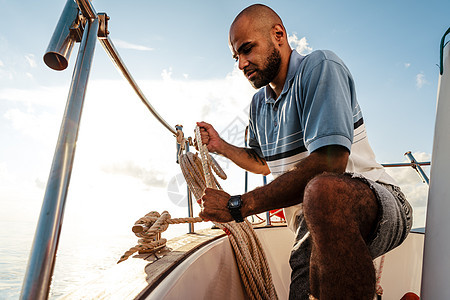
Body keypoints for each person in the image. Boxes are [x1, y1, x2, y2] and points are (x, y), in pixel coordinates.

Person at [197, 4, 412, 300]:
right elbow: (262, 163)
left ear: (278, 35)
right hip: (309, 225)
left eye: (247, 49)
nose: (241, 64)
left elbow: (331, 162)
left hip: (379, 204)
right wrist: (221, 146)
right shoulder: (258, 105)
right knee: (303, 287)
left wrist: (239, 205)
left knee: (322, 191)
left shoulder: (320, 67)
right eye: (236, 56)